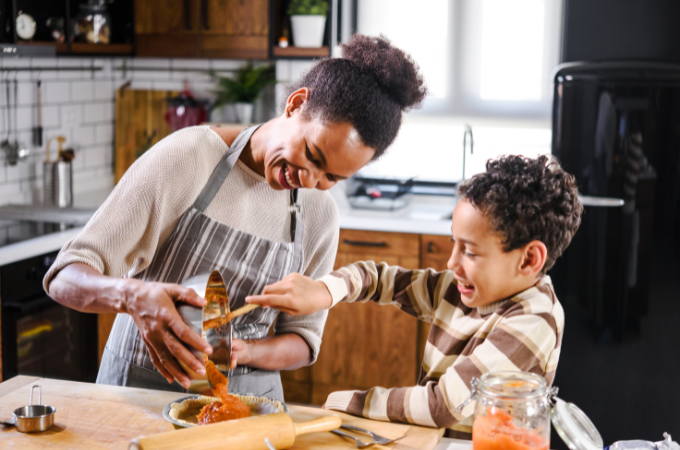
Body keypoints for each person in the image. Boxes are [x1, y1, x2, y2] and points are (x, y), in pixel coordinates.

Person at [44, 34, 427, 401]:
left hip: (247, 406)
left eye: (332, 177)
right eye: (312, 155)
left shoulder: (319, 214)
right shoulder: (190, 157)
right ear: (295, 104)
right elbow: (65, 276)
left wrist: (246, 352)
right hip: (141, 390)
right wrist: (131, 295)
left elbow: (304, 340)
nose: (310, 180)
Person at [246, 155, 583, 435]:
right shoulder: (460, 290)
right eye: (455, 243)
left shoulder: (534, 318)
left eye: (471, 252)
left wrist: (350, 403)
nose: (452, 263)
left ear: (528, 259)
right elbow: (378, 279)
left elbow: (441, 406)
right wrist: (324, 291)